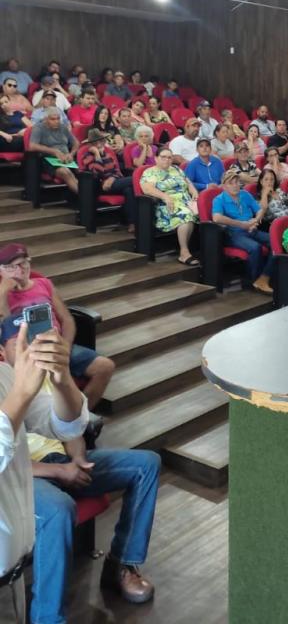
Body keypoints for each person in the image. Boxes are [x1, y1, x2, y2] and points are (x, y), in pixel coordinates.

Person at [26, 410, 158, 619]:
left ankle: (121, 563)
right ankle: (46, 618)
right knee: (59, 509)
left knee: (147, 464)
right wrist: (58, 471)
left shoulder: (41, 378)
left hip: (63, 460)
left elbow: (70, 428)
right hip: (24, 474)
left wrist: (78, 459)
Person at [0, 312, 88, 624]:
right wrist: (22, 392)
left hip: (11, 575)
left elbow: (63, 425)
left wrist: (63, 380)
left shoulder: (3, 374)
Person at [0, 244, 115, 412]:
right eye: (12, 267)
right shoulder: (2, 294)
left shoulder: (43, 283)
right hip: (27, 353)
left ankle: (82, 417)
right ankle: (62, 425)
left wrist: (66, 346)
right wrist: (3, 293)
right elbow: (5, 329)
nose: (20, 270)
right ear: (2, 271)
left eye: (23, 263)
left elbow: (67, 319)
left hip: (57, 344)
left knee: (105, 367)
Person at [211, 171, 273, 293]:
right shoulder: (219, 199)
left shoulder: (245, 194)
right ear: (224, 186)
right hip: (234, 233)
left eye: (237, 182)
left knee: (276, 241)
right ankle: (251, 281)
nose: (235, 185)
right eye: (231, 183)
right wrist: (242, 224)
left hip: (252, 228)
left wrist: (255, 220)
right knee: (255, 248)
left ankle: (264, 277)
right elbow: (216, 218)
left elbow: (260, 209)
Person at [140, 148, 199, 266]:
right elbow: (147, 189)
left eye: (169, 157)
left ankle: (196, 250)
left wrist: (195, 193)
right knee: (186, 215)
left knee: (200, 213)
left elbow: (188, 182)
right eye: (163, 157)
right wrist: (165, 196)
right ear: (156, 158)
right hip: (166, 205)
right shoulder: (150, 172)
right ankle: (184, 252)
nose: (167, 160)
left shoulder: (176, 169)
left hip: (185, 202)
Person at [80, 129, 136, 231]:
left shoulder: (108, 154)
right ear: (91, 145)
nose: (99, 144)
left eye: (101, 141)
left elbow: (117, 171)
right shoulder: (87, 156)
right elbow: (97, 173)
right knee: (136, 179)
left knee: (129, 190)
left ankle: (131, 223)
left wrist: (112, 178)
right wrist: (97, 155)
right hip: (100, 185)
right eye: (96, 143)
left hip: (114, 182)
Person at [28, 108, 79, 196]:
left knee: (85, 172)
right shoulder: (39, 128)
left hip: (67, 159)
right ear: (46, 119)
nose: (56, 121)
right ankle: (86, 199)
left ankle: (89, 196)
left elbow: (76, 143)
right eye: (53, 119)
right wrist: (53, 151)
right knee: (66, 172)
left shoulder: (63, 127)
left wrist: (71, 154)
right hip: (49, 160)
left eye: (58, 118)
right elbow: (32, 146)